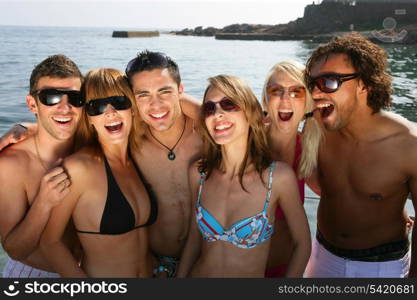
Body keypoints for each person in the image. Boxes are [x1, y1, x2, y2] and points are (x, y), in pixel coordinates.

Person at [304, 33, 417, 277]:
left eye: (330, 81)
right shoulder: (317, 130)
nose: (315, 93)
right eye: (312, 83)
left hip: (383, 267)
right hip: (322, 255)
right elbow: (320, 184)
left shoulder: (410, 145)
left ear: (365, 84)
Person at [177, 74, 311, 277]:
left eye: (228, 104)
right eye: (209, 108)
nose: (217, 114)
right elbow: (194, 240)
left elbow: (303, 244)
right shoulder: (198, 173)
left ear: (251, 113)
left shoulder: (278, 178)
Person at [40, 68, 154, 277]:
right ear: (89, 118)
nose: (110, 112)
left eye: (119, 102)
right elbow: (50, 242)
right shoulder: (79, 168)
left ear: (133, 108)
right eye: (97, 106)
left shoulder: (138, 158)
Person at [0, 54, 83, 277]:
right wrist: (43, 203)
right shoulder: (11, 164)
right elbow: (15, 249)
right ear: (32, 104)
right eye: (51, 98)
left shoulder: (90, 144)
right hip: (35, 275)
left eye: (75, 98)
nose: (65, 108)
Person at [125, 50, 202, 277]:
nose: (155, 105)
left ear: (180, 90)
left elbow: (250, 119)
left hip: (207, 259)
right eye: (143, 95)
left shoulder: (208, 131)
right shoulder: (129, 140)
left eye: (164, 91)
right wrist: (31, 127)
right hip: (154, 263)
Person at [262, 61, 321, 277]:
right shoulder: (246, 142)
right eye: (276, 91)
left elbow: (336, 190)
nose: (286, 99)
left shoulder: (309, 149)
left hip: (287, 269)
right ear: (265, 100)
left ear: (308, 103)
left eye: (297, 92)